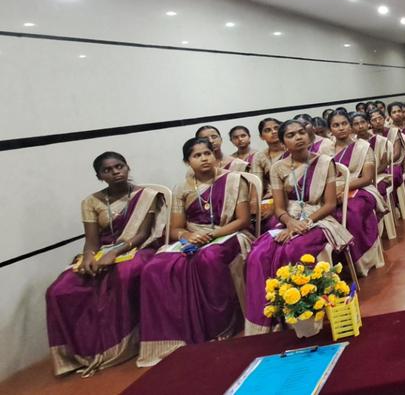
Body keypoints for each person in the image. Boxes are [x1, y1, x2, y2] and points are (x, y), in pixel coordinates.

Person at [45, 153, 166, 376]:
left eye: (119, 166)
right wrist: (90, 258)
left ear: (128, 167)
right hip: (103, 252)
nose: (115, 172)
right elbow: (91, 242)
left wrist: (116, 252)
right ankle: (80, 351)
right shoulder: (91, 202)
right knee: (58, 290)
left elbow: (141, 234)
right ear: (100, 176)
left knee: (123, 275)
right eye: (107, 170)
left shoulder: (146, 195)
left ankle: (121, 344)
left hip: (137, 249)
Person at [136, 138, 252, 366]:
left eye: (207, 153)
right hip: (194, 237)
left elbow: (243, 220)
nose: (204, 158)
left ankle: (221, 324)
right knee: (155, 268)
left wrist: (213, 235)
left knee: (209, 259)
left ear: (214, 155)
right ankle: (173, 333)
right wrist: (188, 236)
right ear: (187, 161)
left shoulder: (234, 180)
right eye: (196, 155)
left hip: (229, 234)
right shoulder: (182, 188)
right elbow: (176, 227)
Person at [243, 120, 352, 335]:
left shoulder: (324, 162)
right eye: (291, 135)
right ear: (283, 142)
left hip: (319, 218)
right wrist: (291, 223)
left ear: (310, 136)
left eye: (302, 132)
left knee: (293, 250)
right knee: (258, 254)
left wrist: (306, 222)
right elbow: (279, 207)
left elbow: (330, 204)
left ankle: (307, 311)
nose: (298, 137)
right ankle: (271, 315)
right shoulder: (278, 168)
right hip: (289, 219)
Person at [329, 112, 386, 275]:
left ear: (350, 126)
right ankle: (337, 261)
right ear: (330, 129)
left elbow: (367, 178)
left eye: (344, 123)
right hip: (331, 192)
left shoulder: (363, 147)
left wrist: (343, 188)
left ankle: (361, 261)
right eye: (336, 125)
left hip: (360, 189)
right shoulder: (325, 150)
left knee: (352, 213)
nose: (341, 128)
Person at [250, 118, 287, 193]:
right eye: (267, 130)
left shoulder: (292, 149)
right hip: (273, 195)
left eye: (276, 128)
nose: (274, 131)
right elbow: (257, 185)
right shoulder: (259, 156)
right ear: (261, 137)